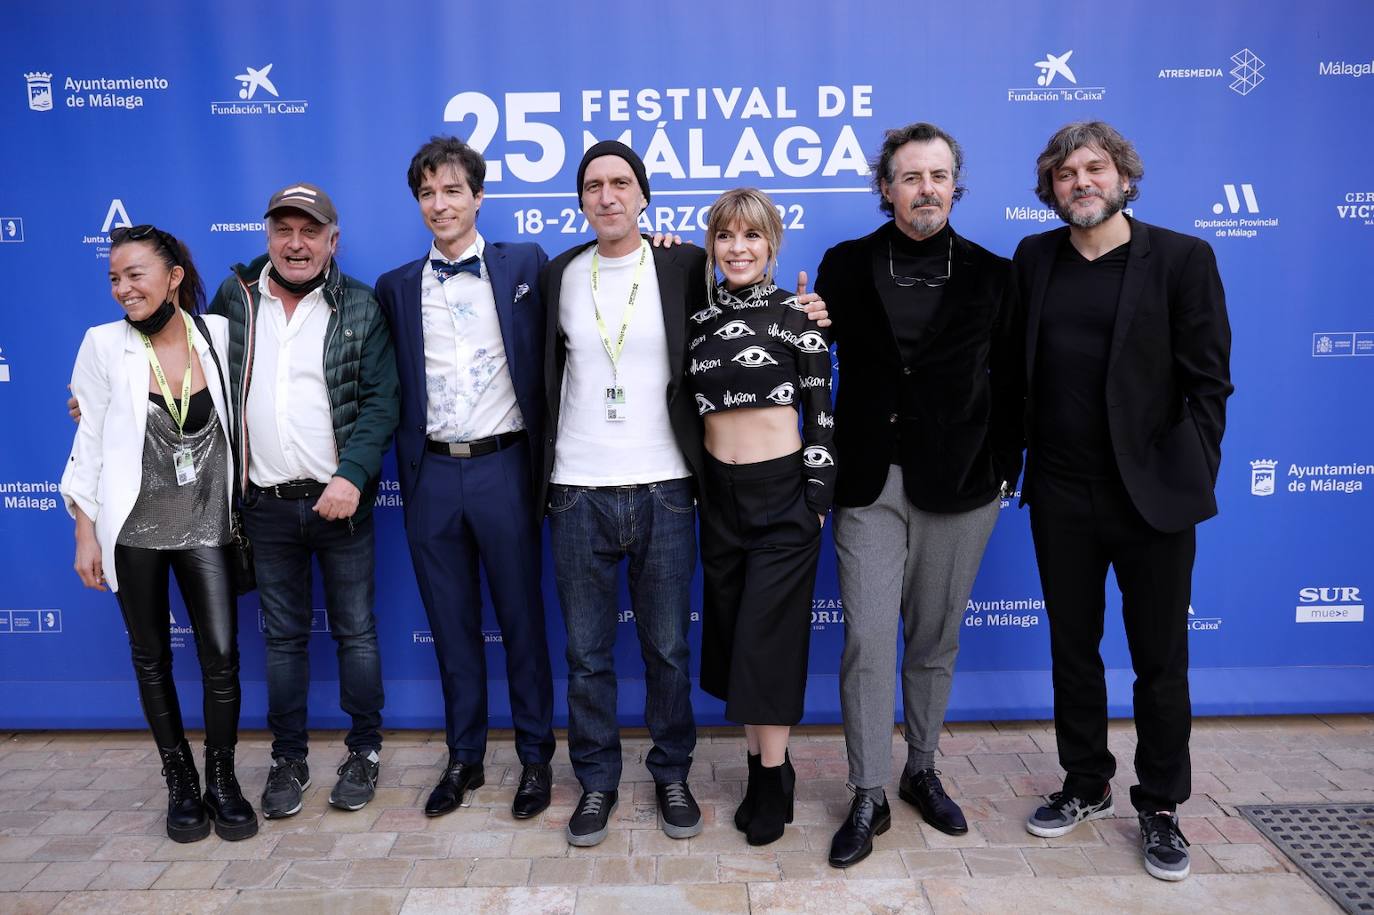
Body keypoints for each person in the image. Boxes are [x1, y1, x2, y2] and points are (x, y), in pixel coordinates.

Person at [1014, 121, 1231, 882]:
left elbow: (1209, 384)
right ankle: (1086, 783)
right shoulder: (1034, 259)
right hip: (1062, 493)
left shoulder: (1181, 258)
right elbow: (1011, 369)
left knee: (1159, 660)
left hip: (1154, 500)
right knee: (1073, 653)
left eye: (1094, 168)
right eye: (1066, 172)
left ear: (1123, 177)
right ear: (1051, 187)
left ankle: (1162, 805)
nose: (1081, 181)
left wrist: (1188, 468)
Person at [813, 123, 1024, 868]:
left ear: (954, 184)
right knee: (869, 639)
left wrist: (1004, 471)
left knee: (934, 640)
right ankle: (867, 790)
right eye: (910, 176)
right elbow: (807, 356)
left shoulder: (996, 275)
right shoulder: (843, 266)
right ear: (885, 187)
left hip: (962, 486)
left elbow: (1014, 384)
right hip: (868, 482)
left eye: (939, 175)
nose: (925, 188)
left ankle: (921, 768)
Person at [375, 136, 556, 821]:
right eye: (427, 192)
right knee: (451, 626)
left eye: (453, 190)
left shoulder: (527, 264)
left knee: (521, 620)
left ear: (478, 197)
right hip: (430, 477)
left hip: (506, 467)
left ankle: (537, 757)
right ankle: (465, 757)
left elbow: (601, 281)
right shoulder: (396, 286)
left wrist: (662, 249)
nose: (440, 203)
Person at [60, 224, 257, 843]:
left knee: (221, 658)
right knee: (151, 661)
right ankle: (180, 784)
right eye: (114, 278)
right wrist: (84, 534)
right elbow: (87, 442)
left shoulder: (218, 335)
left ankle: (222, 780)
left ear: (174, 276)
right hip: (133, 529)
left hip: (206, 525)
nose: (122, 288)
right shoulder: (101, 345)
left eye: (135, 274)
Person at [209, 183, 400, 818]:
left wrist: (351, 476)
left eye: (309, 231)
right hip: (263, 506)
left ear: (332, 241)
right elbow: (185, 368)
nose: (296, 244)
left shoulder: (362, 307)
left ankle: (364, 750)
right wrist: (109, 399)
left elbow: (381, 402)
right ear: (267, 236)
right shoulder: (234, 301)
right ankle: (288, 758)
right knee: (283, 641)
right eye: (284, 230)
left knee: (356, 633)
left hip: (341, 501)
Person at [538, 142, 708, 847]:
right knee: (587, 655)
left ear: (644, 196)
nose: (608, 195)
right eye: (594, 185)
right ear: (581, 200)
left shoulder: (684, 265)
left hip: (666, 486)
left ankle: (671, 770)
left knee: (667, 647)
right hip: (577, 490)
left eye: (621, 183)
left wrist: (810, 309)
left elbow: (747, 304)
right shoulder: (560, 275)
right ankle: (598, 782)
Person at [687, 188, 834, 847]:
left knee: (765, 646)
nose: (738, 248)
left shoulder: (798, 314)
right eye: (726, 236)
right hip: (718, 497)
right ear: (713, 245)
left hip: (783, 497)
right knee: (732, 641)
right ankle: (760, 766)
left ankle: (771, 779)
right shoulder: (695, 319)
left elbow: (822, 411)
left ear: (772, 245)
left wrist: (816, 498)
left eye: (752, 236)